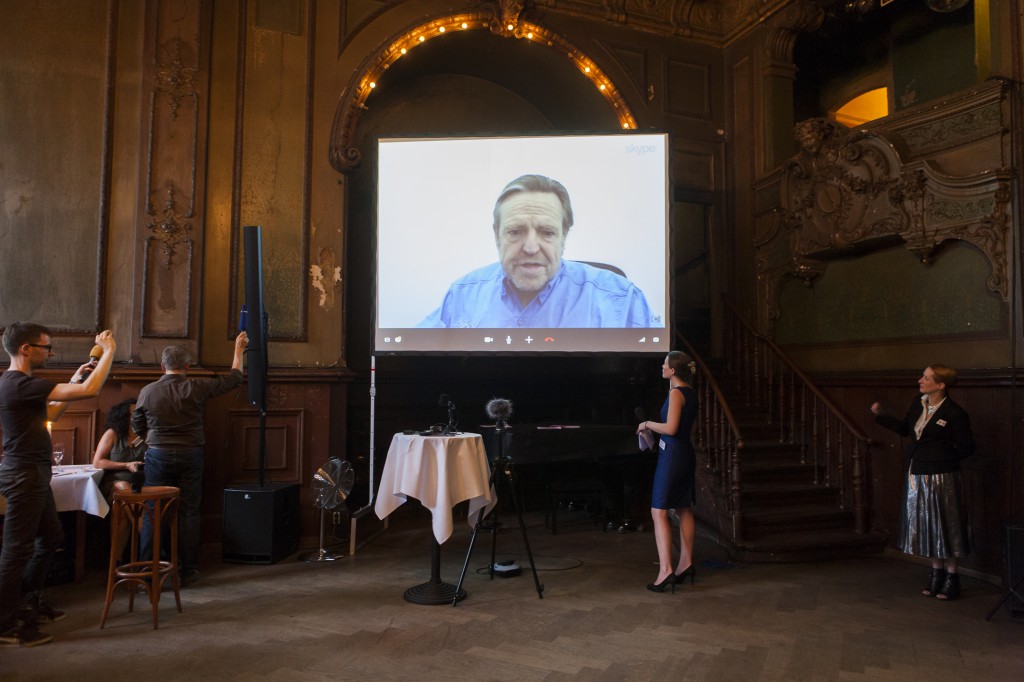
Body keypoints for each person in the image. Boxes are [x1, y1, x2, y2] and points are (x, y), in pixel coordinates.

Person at [0, 323, 115, 647]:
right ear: (25, 349)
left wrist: (75, 379)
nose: (50, 353)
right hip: (24, 475)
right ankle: (5, 623)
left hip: (33, 473)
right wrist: (109, 351)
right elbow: (91, 392)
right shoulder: (18, 384)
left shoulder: (21, 385)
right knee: (15, 551)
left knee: (51, 537)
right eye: (46, 347)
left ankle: (28, 600)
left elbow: (55, 409)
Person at [418, 174, 654, 328]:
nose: (531, 248)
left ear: (564, 236)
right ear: (496, 235)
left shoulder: (622, 300)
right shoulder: (462, 295)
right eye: (515, 231)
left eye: (547, 232)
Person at [132, 331, 248, 586]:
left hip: (158, 454)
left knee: (153, 512)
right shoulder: (197, 386)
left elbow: (137, 424)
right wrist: (238, 349)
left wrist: (151, 438)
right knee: (189, 513)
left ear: (162, 366)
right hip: (190, 453)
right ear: (187, 366)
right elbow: (233, 379)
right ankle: (187, 570)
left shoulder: (148, 392)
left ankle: (149, 574)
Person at [871, 365, 974, 600]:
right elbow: (906, 429)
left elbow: (968, 447)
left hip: (943, 477)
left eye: (926, 378)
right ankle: (936, 572)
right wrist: (881, 416)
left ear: (940, 385)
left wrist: (943, 459)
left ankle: (952, 576)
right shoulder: (919, 403)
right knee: (928, 523)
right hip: (917, 472)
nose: (920, 381)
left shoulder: (955, 413)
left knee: (948, 524)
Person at [637, 350, 698, 593]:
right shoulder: (690, 392)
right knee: (683, 508)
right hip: (685, 453)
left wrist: (646, 424)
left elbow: (671, 429)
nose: (661, 367)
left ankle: (665, 571)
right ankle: (686, 564)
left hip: (672, 455)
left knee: (658, 511)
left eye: (664, 364)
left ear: (672, 371)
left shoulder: (675, 393)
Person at [92, 399, 146, 500]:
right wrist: (126, 465)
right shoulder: (112, 433)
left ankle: (139, 515)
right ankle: (139, 516)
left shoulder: (147, 434)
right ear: (124, 417)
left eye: (140, 413)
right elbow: (97, 462)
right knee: (124, 487)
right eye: (134, 414)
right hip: (115, 480)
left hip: (141, 479)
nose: (139, 416)